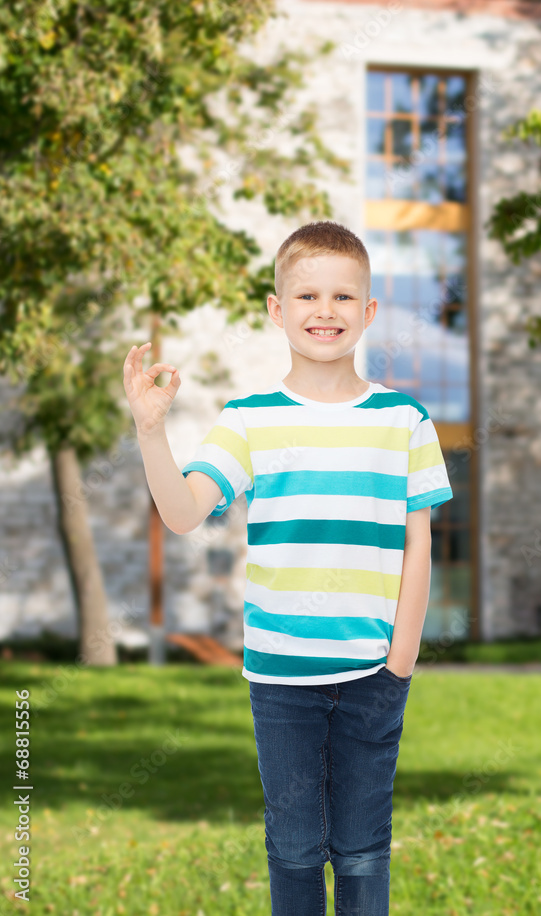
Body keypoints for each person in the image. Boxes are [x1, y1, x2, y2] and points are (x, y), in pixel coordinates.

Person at [122, 220, 454, 915]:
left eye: (341, 298)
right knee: (296, 850)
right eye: (306, 296)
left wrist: (401, 658)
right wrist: (152, 433)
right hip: (279, 679)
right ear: (278, 311)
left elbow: (417, 542)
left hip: (373, 674)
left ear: (367, 313)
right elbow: (184, 513)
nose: (323, 312)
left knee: (363, 847)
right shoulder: (247, 420)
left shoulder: (405, 420)